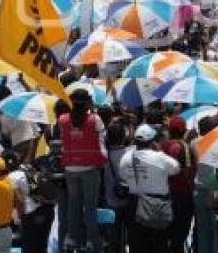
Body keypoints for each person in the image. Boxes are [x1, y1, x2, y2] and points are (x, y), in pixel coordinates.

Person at [59, 89, 107, 253]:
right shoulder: (95, 119)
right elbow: (102, 145)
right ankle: (92, 241)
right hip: (90, 169)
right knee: (90, 206)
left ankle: (73, 239)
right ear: (87, 103)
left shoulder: (63, 120)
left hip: (70, 169)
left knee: (74, 205)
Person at [119, 124, 180, 253]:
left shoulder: (125, 157)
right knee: (158, 244)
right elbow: (176, 168)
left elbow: (122, 175)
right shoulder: (159, 157)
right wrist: (159, 151)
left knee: (136, 244)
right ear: (153, 141)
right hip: (156, 205)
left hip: (133, 204)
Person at [161, 116, 196, 253]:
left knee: (170, 228)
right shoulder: (184, 147)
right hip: (182, 194)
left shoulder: (163, 145)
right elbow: (187, 172)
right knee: (182, 229)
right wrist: (192, 190)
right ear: (183, 130)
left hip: (166, 193)